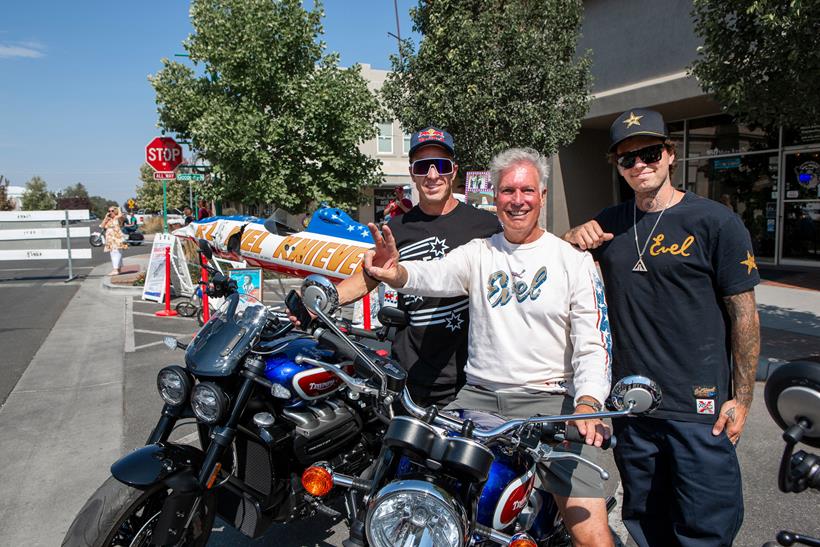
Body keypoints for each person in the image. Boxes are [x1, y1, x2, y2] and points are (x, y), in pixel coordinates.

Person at [364, 147, 614, 547]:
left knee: (592, 535)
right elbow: (434, 275)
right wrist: (396, 272)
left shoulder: (573, 262)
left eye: (527, 190)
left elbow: (593, 342)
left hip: (549, 403)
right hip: (476, 397)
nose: (517, 200)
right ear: (494, 196)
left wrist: (586, 403)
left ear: (543, 196)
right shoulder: (481, 253)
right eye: (508, 191)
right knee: (408, 492)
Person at [562, 108, 761, 547]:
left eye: (650, 152)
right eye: (627, 159)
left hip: (699, 411)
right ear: (618, 166)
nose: (640, 165)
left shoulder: (715, 221)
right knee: (646, 523)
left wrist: (743, 398)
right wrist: (571, 238)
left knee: (705, 529)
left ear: (670, 155)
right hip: (633, 410)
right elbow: (552, 267)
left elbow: (743, 313)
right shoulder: (609, 223)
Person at [291, 127, 501, 407]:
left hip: (472, 377)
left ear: (453, 171)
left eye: (441, 165)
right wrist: (319, 304)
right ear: (413, 172)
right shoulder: (396, 228)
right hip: (412, 374)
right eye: (423, 166)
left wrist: (572, 240)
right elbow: (368, 277)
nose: (432, 175)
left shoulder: (486, 225)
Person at [101, 206, 128, 276]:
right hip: (110, 240)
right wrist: (106, 218)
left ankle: (115, 269)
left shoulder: (118, 218)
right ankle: (118, 269)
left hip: (117, 239)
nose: (110, 212)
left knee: (116, 253)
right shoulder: (109, 219)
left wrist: (118, 209)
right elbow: (102, 226)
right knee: (113, 253)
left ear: (115, 211)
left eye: (112, 211)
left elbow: (121, 216)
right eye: (109, 211)